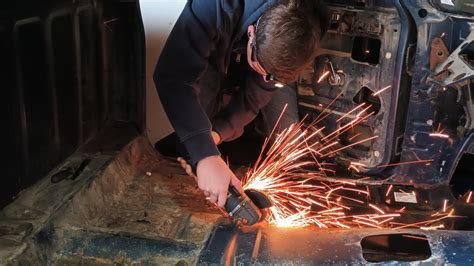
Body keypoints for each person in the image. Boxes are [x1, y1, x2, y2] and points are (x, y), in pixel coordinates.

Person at [154, 0, 327, 207]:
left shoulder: (312, 22)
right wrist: (204, 153)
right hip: (216, 34)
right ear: (252, 33)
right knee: (201, 106)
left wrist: (218, 132)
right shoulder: (216, 7)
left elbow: (254, 98)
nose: (266, 79)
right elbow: (173, 76)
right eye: (260, 68)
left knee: (286, 129)